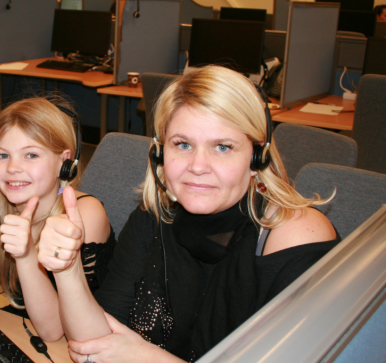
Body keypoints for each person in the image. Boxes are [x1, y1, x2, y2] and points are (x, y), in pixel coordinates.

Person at [37, 66, 340, 362]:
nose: (197, 166)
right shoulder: (155, 214)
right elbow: (90, 345)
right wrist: (68, 269)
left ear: (256, 157)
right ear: (160, 153)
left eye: (222, 147)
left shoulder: (293, 235)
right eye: (182, 144)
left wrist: (143, 356)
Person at [0, 97, 114, 342]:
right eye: (2, 156)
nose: (13, 167)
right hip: (26, 328)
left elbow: (54, 332)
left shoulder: (82, 216)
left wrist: (26, 256)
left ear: (64, 162)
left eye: (31, 155)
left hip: (86, 343)